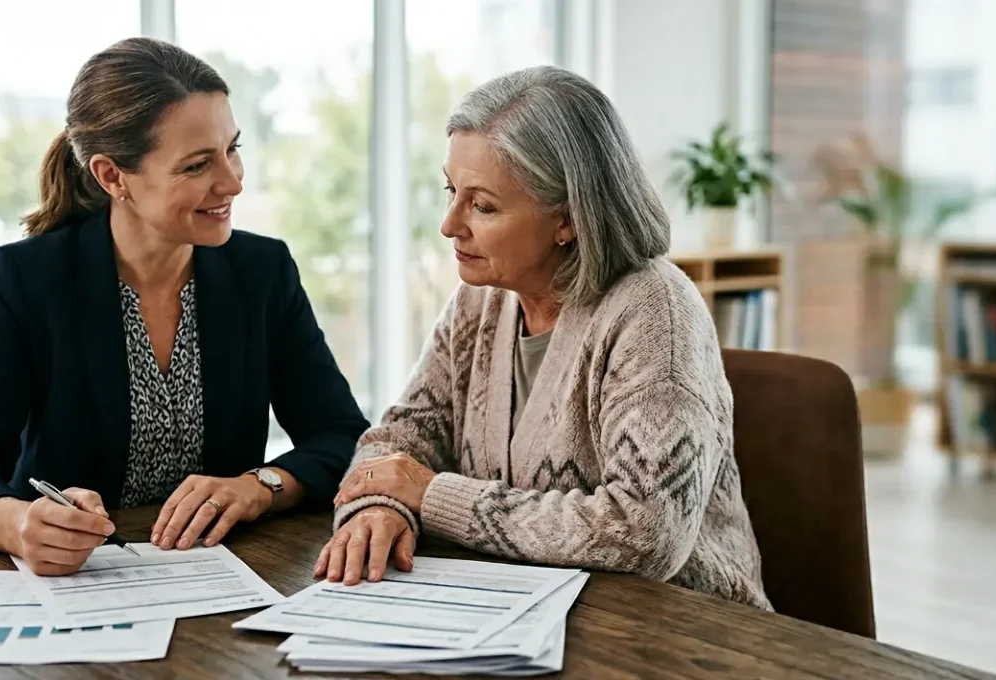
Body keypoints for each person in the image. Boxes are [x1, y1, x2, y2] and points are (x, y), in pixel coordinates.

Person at [317, 65, 772, 610]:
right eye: (450, 191)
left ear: (569, 219)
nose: (449, 224)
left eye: (482, 205)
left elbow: (648, 533)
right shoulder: (480, 298)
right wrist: (380, 509)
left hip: (681, 629)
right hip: (519, 609)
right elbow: (402, 439)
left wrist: (432, 495)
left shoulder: (655, 312)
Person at [0, 37, 369, 576]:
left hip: (217, 581)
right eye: (198, 165)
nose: (232, 181)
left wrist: (261, 486)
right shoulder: (28, 279)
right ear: (113, 176)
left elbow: (344, 438)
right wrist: (17, 523)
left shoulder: (262, 271)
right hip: (76, 592)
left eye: (234, 149)